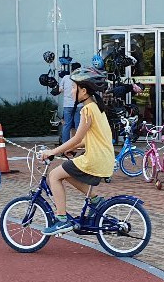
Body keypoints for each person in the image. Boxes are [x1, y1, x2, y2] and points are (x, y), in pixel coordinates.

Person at [38, 68, 115, 235]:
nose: (71, 91)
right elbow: (89, 140)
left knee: (54, 175)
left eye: (74, 88)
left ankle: (61, 220)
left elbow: (76, 137)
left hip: (94, 159)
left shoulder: (87, 109)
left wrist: (52, 152)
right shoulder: (96, 108)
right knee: (65, 174)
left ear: (84, 91)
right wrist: (73, 149)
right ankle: (95, 200)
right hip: (103, 157)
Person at [59, 62, 82, 144]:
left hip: (67, 105)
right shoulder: (81, 78)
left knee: (66, 125)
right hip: (79, 105)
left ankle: (65, 143)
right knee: (78, 125)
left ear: (71, 69)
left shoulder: (65, 78)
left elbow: (60, 90)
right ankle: (78, 143)